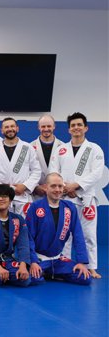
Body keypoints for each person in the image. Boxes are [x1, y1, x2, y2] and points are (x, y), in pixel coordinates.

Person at [49, 112, 104, 279]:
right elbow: (53, 171)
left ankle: (91, 266)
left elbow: (97, 173)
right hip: (65, 197)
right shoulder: (61, 149)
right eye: (73, 125)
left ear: (86, 127)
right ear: (69, 130)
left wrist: (77, 185)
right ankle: (65, 265)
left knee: (89, 234)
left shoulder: (94, 149)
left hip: (86, 198)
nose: (76, 128)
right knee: (64, 234)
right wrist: (65, 187)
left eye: (79, 125)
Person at [25, 173, 91, 285]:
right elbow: (28, 237)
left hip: (58, 259)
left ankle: (52, 273)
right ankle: (49, 273)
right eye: (53, 186)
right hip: (39, 259)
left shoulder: (69, 207)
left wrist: (81, 262)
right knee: (31, 279)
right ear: (46, 187)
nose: (57, 189)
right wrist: (33, 261)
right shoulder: (35, 207)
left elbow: (78, 234)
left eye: (60, 186)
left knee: (84, 278)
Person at [0, 117, 41, 216]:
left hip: (23, 197)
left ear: (17, 128)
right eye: (6, 127)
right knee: (3, 227)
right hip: (2, 198)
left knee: (24, 227)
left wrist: (25, 186)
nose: (10, 129)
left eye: (12, 126)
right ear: (2, 130)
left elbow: (36, 171)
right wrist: (2, 188)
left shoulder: (28, 148)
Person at [31, 114, 63, 199]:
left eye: (49, 126)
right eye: (43, 126)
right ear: (38, 127)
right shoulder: (30, 147)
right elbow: (26, 171)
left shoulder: (63, 147)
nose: (46, 129)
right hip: (37, 193)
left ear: (54, 127)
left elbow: (67, 171)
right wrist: (35, 187)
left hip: (58, 193)